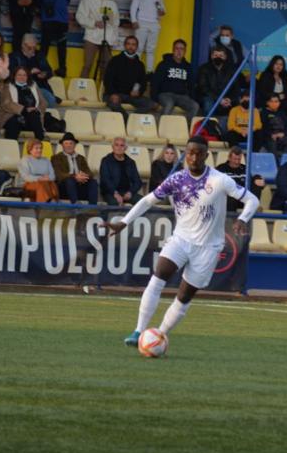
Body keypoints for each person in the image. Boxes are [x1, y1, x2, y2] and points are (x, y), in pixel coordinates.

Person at [109, 136, 259, 347]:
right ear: (185, 154)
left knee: (184, 295)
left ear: (207, 155)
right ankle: (138, 331)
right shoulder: (176, 179)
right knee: (158, 277)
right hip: (180, 239)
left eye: (199, 153)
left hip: (208, 247)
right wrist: (124, 222)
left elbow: (252, 199)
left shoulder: (219, 180)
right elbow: (147, 200)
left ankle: (158, 335)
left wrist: (243, 218)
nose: (194, 157)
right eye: (190, 152)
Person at [103, 35, 156, 121]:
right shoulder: (115, 60)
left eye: (133, 44)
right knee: (114, 103)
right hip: (114, 94)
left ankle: (132, 119)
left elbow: (142, 82)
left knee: (151, 104)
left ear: (136, 47)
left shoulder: (140, 64)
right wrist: (112, 93)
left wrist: (138, 91)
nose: (131, 46)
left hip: (131, 96)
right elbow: (107, 80)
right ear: (124, 45)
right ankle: (127, 119)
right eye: (128, 44)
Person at [77, 0, 119, 78]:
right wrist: (94, 23)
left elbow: (116, 22)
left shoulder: (112, 2)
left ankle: (103, 92)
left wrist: (111, 24)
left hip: (107, 38)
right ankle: (82, 91)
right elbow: (80, 17)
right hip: (91, 37)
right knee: (87, 65)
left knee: (106, 67)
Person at [151, 39, 199, 118]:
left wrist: (192, 99)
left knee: (195, 106)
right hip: (165, 94)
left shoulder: (187, 66)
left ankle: (186, 127)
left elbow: (191, 85)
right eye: (177, 48)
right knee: (169, 104)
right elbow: (155, 82)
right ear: (173, 50)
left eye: (182, 49)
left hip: (182, 96)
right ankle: (161, 127)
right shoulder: (163, 64)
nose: (179, 51)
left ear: (185, 51)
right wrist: (154, 99)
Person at [39, 0, 70, 76]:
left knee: (62, 45)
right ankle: (41, 68)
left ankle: (62, 69)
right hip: (48, 18)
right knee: (45, 44)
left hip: (62, 19)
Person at [0, 66, 45, 141]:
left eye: (24, 75)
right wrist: (24, 110)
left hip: (31, 117)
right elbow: (6, 103)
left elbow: (43, 102)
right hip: (12, 115)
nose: (22, 77)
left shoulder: (33, 86)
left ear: (27, 76)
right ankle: (11, 148)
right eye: (19, 75)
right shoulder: (7, 86)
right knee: (14, 122)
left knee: (34, 115)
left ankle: (40, 141)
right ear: (14, 76)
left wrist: (37, 109)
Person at [130, 0, 166, 69]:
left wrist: (161, 11)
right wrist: (134, 20)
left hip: (154, 24)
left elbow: (163, 10)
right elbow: (133, 7)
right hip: (141, 23)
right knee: (139, 48)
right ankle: (135, 70)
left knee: (151, 50)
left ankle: (149, 72)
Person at [12, 34, 58, 107]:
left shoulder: (40, 55)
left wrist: (44, 74)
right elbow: (12, 74)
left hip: (39, 87)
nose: (32, 50)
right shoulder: (15, 56)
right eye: (29, 48)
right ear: (23, 45)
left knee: (51, 99)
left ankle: (47, 117)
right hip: (22, 88)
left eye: (34, 47)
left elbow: (49, 72)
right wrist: (29, 72)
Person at [214, 146, 265, 211]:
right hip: (228, 198)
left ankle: (253, 206)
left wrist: (258, 179)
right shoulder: (221, 168)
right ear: (229, 158)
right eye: (235, 159)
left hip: (243, 198)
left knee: (256, 182)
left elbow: (252, 180)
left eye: (239, 159)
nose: (237, 162)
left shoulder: (245, 168)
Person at [51, 132, 97, 204]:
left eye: (71, 143)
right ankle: (75, 207)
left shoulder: (81, 158)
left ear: (74, 145)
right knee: (70, 181)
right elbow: (59, 174)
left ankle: (93, 208)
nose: (68, 146)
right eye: (66, 143)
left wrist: (83, 176)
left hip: (80, 186)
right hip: (64, 188)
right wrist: (74, 176)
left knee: (93, 182)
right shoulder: (56, 158)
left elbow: (89, 172)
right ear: (62, 145)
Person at [195, 46, 240, 118]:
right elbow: (203, 88)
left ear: (225, 57)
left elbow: (236, 89)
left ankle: (233, 128)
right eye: (215, 55)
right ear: (211, 56)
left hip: (226, 98)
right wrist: (219, 99)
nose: (218, 57)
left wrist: (230, 99)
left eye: (221, 55)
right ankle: (209, 126)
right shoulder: (204, 68)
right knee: (208, 103)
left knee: (239, 102)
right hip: (210, 97)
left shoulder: (231, 70)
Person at [100, 137, 142, 206]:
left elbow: (138, 181)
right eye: (116, 145)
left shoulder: (131, 162)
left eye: (122, 145)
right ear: (113, 147)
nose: (119, 148)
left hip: (127, 192)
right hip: (111, 192)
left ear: (125, 148)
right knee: (114, 203)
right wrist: (115, 193)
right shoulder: (106, 161)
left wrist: (130, 192)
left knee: (143, 203)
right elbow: (105, 180)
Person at [18, 138, 58, 202]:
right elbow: (26, 177)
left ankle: (47, 203)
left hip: (46, 183)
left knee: (52, 184)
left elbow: (53, 176)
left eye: (40, 148)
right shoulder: (25, 160)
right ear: (30, 149)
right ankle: (47, 204)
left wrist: (47, 179)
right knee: (43, 185)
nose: (39, 150)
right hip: (29, 184)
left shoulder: (46, 160)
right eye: (36, 148)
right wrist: (40, 178)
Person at [259, 94, 287, 159]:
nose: (274, 103)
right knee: (271, 142)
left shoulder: (282, 113)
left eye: (276, 101)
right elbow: (263, 128)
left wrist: (283, 134)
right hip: (269, 137)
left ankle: (284, 161)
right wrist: (272, 135)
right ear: (267, 102)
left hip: (281, 136)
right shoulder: (263, 113)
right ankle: (275, 163)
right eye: (272, 101)